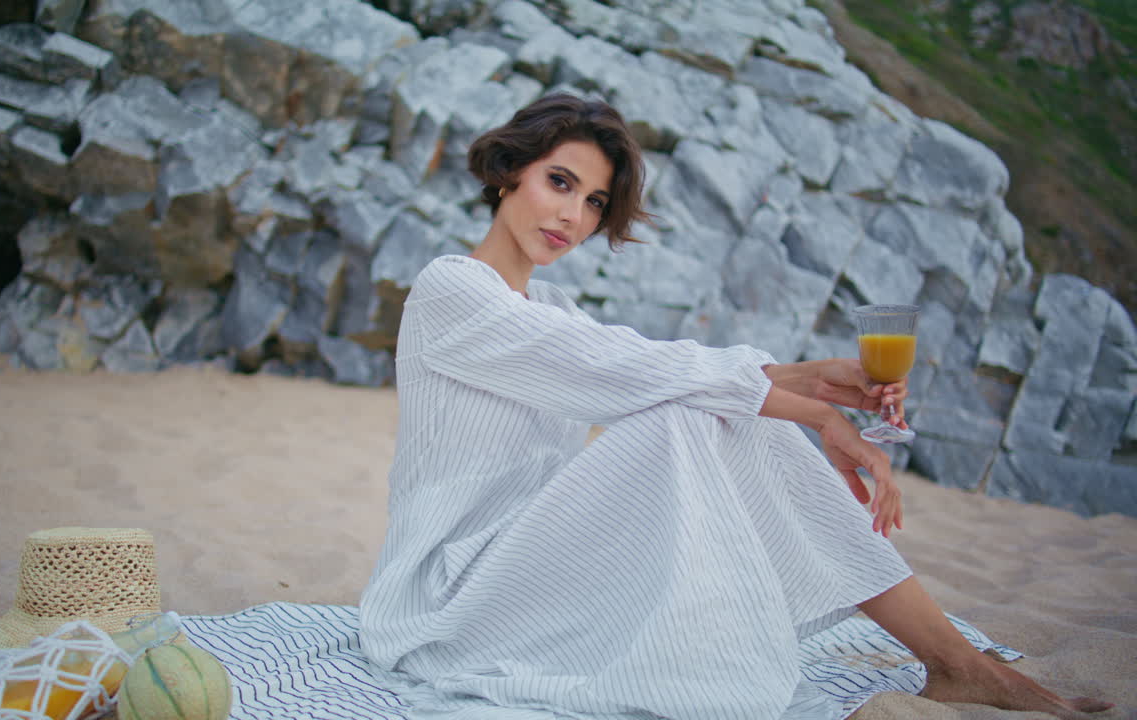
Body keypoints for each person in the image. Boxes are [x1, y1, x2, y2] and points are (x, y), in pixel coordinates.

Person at [358, 93, 1111, 719]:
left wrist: (818, 379)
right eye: (559, 183)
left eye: (594, 202)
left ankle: (955, 661)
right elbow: (633, 370)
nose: (575, 218)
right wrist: (815, 414)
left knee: (708, 405)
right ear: (507, 172)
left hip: (528, 559)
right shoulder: (452, 291)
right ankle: (957, 660)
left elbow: (641, 366)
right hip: (452, 593)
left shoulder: (549, 302)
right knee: (691, 410)